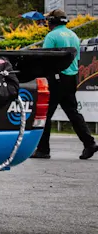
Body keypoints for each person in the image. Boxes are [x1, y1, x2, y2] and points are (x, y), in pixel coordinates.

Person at [32, 9, 98, 160]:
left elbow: (45, 59)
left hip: (55, 78)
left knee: (45, 114)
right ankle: (89, 143)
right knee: (73, 112)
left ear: (52, 21)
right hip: (71, 78)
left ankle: (43, 149)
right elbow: (77, 59)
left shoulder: (52, 36)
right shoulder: (73, 36)